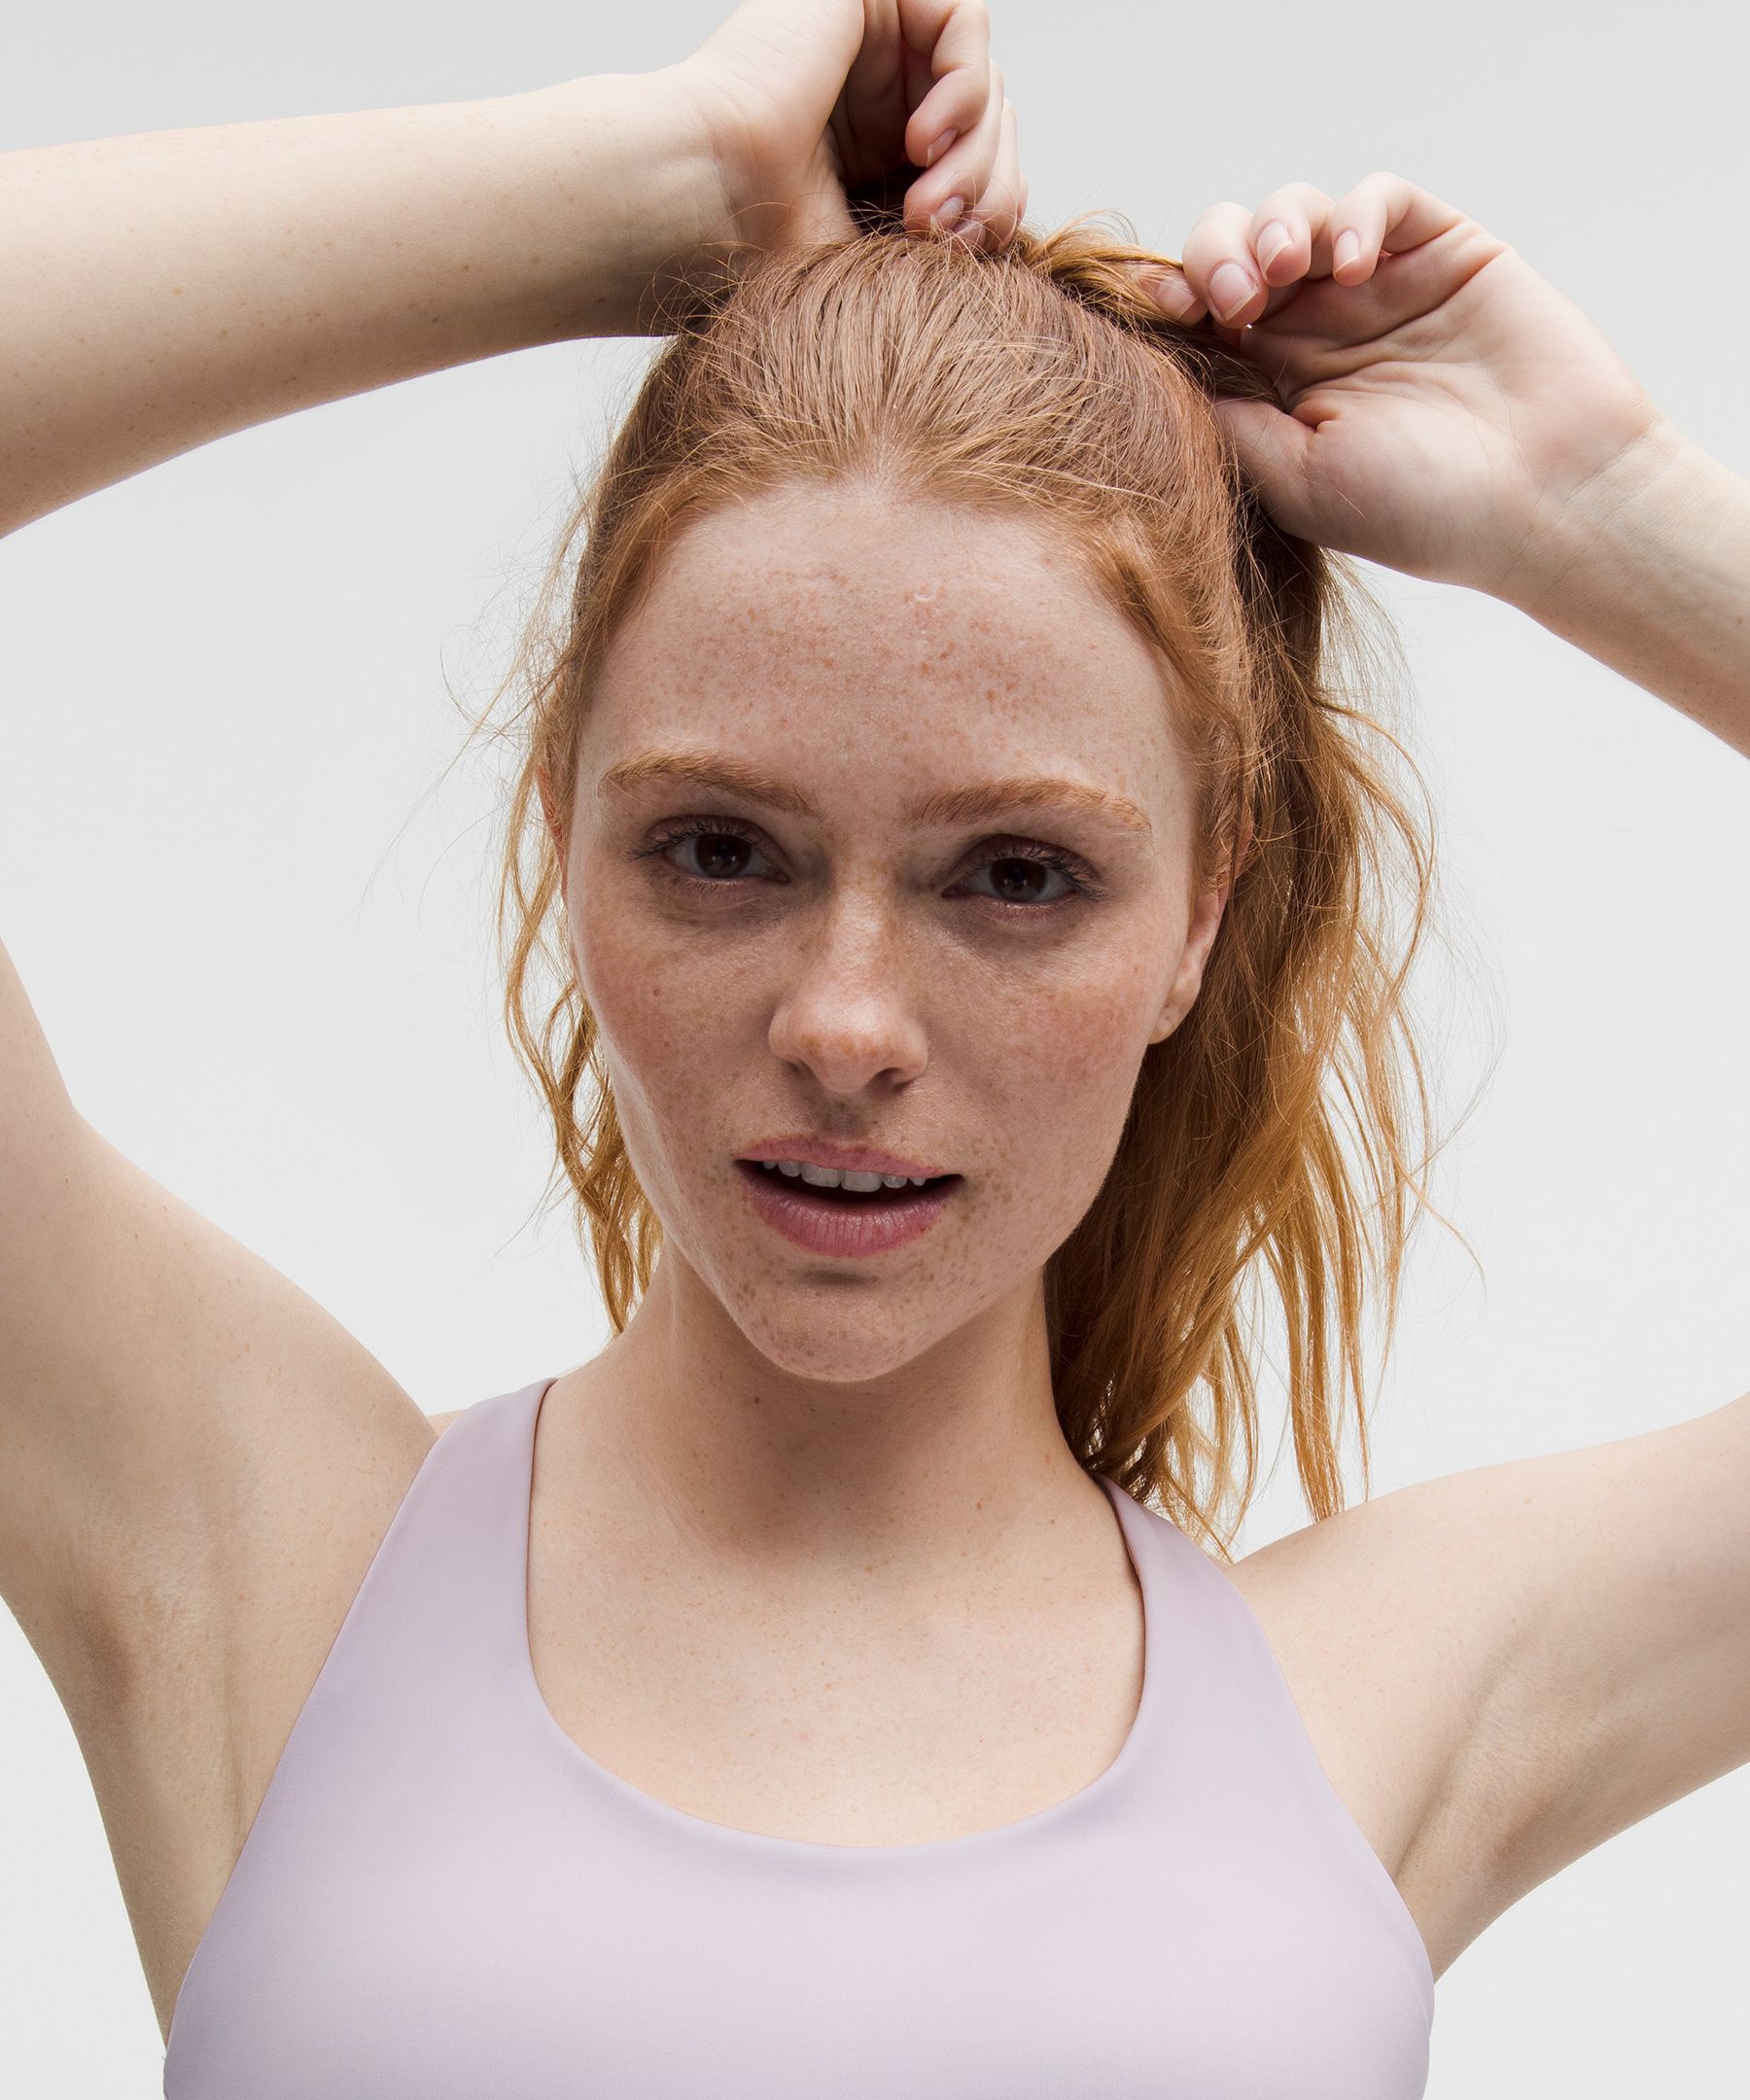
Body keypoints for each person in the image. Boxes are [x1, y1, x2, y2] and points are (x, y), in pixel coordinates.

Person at [1, 1, 1745, 2093]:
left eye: (1017, 877)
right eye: (719, 850)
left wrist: (1604, 506)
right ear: (562, 830)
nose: (842, 1026)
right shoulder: (260, 1565)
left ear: (1201, 911)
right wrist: (648, 185)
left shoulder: (1375, 1708)